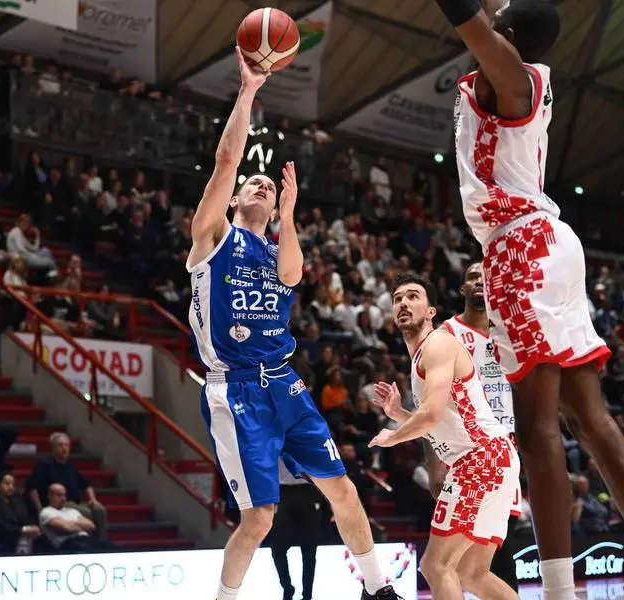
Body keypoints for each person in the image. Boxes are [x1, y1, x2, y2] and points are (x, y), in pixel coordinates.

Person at [433, 0, 624, 597]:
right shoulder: (519, 71)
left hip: (520, 249)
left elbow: (464, 14)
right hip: (547, 244)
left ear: (507, 32)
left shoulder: (509, 71)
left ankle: (557, 591)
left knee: (537, 425)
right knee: (589, 417)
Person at [186, 47, 397, 600]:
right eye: (253, 184)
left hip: (285, 382)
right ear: (233, 199)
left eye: (270, 185)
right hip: (234, 390)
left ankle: (378, 591)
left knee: (345, 491)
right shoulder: (212, 239)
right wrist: (250, 90)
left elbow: (294, 273)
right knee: (259, 519)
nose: (262, 185)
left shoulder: (279, 244)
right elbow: (227, 161)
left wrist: (289, 212)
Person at [370, 274, 519, 600]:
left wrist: (393, 436)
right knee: (472, 573)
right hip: (494, 457)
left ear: (431, 311)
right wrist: (399, 414)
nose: (404, 303)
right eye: (397, 299)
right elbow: (441, 423)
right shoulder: (422, 356)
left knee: (436, 566)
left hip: (480, 458)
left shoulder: (437, 344)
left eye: (413, 297)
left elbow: (432, 416)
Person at [434, 262, 518, 590]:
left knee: (459, 566)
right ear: (462, 289)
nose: (480, 282)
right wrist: (434, 463)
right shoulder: (447, 335)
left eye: (486, 278)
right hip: (464, 455)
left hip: (500, 455)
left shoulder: (509, 340)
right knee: (461, 569)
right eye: (472, 277)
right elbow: (432, 404)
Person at [270, 462, 326, 600]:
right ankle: (287, 588)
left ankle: (307, 594)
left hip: (309, 491)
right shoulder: (273, 440)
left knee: (309, 549)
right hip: (283, 492)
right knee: (277, 548)